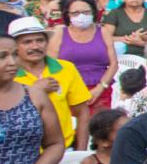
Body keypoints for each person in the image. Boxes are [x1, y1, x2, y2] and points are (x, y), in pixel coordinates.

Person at [11, 16, 91, 150]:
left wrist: (81, 153)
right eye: (27, 42)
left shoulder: (66, 68)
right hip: (20, 153)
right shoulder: (6, 73)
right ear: (14, 47)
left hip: (64, 150)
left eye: (40, 40)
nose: (35, 46)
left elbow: (82, 113)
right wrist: (35, 90)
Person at [0, 33, 65, 164]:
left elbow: (55, 143)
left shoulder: (34, 95)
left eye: (15, 55)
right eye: (2, 57)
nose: (12, 62)